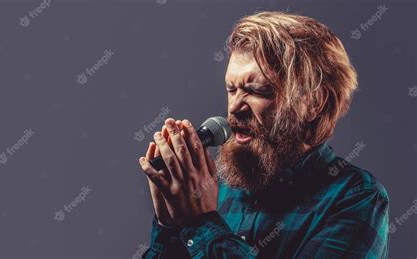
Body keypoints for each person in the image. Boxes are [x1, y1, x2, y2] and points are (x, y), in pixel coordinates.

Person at [138, 11, 389, 258]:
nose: (234, 107)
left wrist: (202, 223)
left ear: (314, 104)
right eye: (231, 89)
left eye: (257, 91)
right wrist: (169, 225)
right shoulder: (214, 188)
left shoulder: (356, 199)